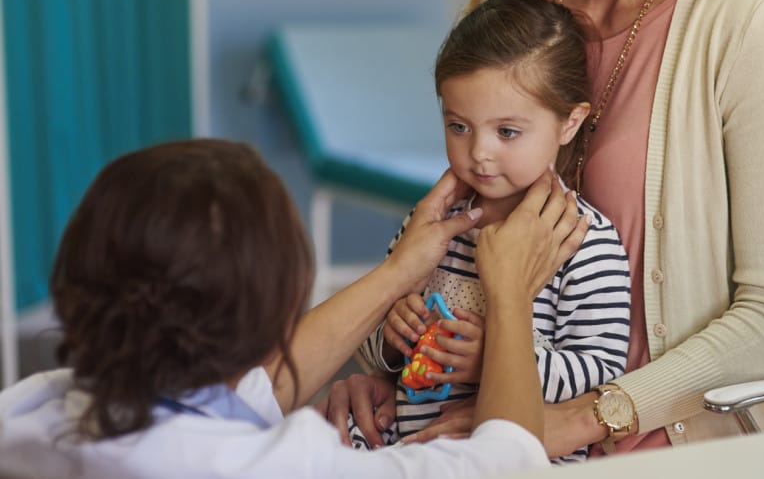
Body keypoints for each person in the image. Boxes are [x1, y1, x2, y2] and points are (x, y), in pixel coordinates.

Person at [325, 0, 764, 459]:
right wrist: (387, 372)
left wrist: (579, 418)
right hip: (486, 428)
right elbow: (449, 253)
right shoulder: (504, 9)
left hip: (657, 443)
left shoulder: (741, 25)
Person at [0, 138, 589, 478]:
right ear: (278, 313)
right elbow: (509, 465)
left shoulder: (35, 410)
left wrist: (396, 276)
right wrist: (510, 294)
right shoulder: (290, 467)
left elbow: (244, 396)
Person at [348, 0, 631, 463]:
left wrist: (499, 360)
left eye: (507, 132)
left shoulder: (583, 242)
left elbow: (599, 370)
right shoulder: (431, 227)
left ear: (569, 122)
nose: (479, 152)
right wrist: (392, 340)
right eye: (459, 126)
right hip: (413, 455)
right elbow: (371, 349)